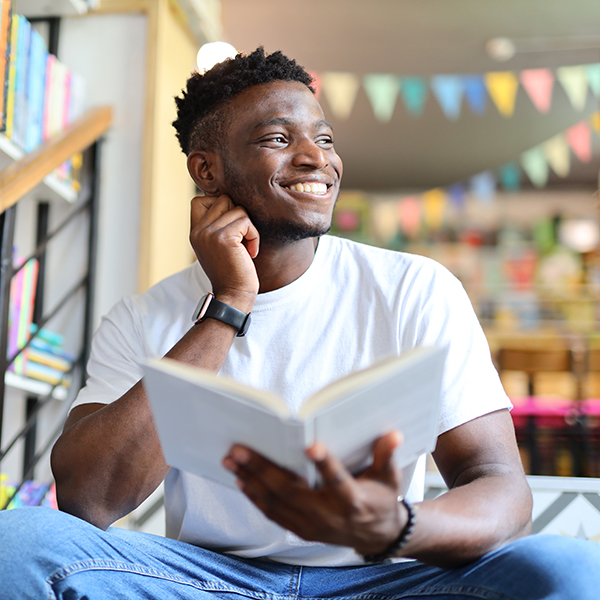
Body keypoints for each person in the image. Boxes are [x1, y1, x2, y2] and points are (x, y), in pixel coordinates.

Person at [0, 47, 599, 599]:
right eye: (278, 138)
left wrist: (398, 526)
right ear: (207, 170)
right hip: (207, 580)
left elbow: (502, 490)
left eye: (325, 137)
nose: (317, 158)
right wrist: (230, 303)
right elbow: (89, 500)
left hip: (380, 579)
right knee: (18, 543)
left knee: (571, 570)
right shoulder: (142, 317)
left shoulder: (415, 288)